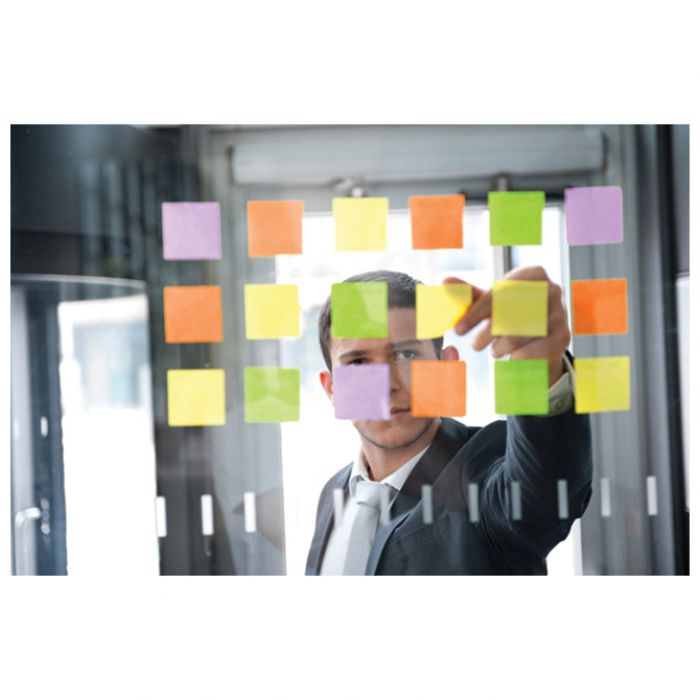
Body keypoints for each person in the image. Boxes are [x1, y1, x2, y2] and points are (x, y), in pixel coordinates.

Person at [305, 267, 592, 575]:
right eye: (358, 363)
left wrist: (538, 366)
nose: (387, 385)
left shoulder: (481, 474)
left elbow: (539, 496)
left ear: (446, 367)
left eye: (406, 355)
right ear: (332, 389)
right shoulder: (333, 493)